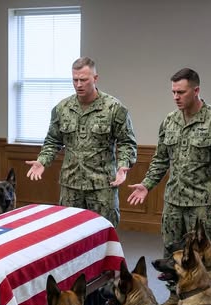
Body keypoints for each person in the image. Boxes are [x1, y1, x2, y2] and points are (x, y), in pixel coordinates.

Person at [127, 68, 211, 305]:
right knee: (172, 253)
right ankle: (174, 296)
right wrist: (146, 184)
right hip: (174, 201)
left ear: (196, 90)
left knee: (203, 256)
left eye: (181, 92)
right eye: (173, 92)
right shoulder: (170, 121)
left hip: (203, 202)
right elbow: (160, 160)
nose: (176, 97)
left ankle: (208, 302)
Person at [25, 57, 137, 228]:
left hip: (102, 186)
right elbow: (53, 141)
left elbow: (127, 142)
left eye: (83, 80)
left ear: (95, 78)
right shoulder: (62, 109)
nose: (78, 84)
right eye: (75, 80)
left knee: (102, 234)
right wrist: (43, 161)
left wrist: (123, 165)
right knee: (69, 234)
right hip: (71, 185)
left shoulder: (114, 108)